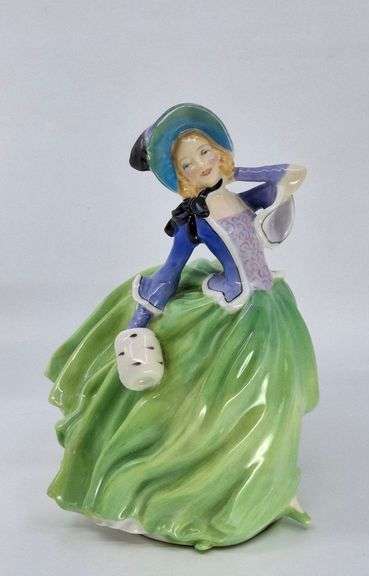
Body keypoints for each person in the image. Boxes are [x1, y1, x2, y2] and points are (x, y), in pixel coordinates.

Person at [46, 103, 319, 551]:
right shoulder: (191, 221)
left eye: (205, 152)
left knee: (275, 399)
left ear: (219, 151)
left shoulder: (244, 198)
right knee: (233, 407)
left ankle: (269, 486)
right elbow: (169, 274)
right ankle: (218, 493)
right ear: (180, 177)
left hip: (268, 306)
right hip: (234, 314)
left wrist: (237, 170)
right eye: (188, 164)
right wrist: (138, 324)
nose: (201, 165)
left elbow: (289, 175)